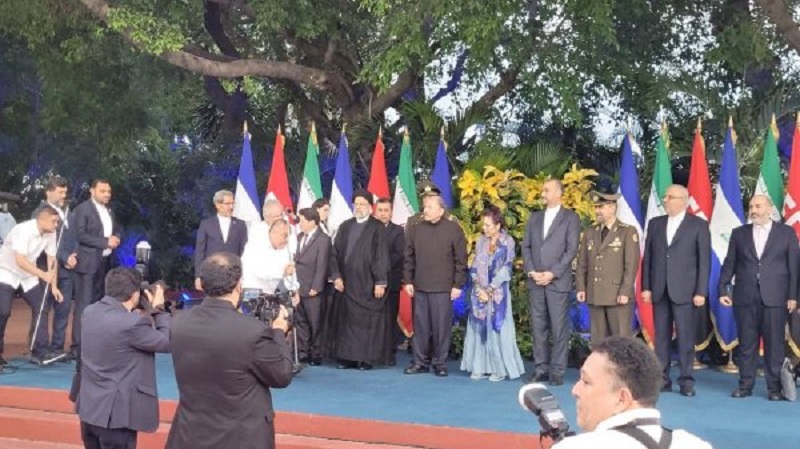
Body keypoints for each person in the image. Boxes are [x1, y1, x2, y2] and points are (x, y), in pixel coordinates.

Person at [166, 252, 293, 449]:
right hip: (240, 438)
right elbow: (282, 375)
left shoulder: (178, 323)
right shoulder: (252, 332)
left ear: (201, 284)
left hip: (190, 434)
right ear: (238, 285)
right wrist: (278, 332)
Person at [554, 336, 713, 449]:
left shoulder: (574, 446)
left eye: (586, 381)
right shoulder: (696, 445)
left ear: (622, 399)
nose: (575, 390)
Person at [76, 267, 169, 449]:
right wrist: (158, 309)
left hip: (90, 410)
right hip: (116, 417)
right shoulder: (132, 323)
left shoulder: (90, 312)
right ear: (135, 294)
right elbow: (166, 341)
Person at [719, 195, 798, 401]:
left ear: (770, 210)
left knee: (774, 345)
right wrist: (722, 290)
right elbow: (730, 263)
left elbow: (794, 267)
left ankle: (774, 389)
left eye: (758, 206)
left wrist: (793, 296)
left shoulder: (786, 233)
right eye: (751, 206)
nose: (753, 210)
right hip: (745, 297)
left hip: (776, 298)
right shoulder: (739, 233)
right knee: (746, 344)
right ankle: (745, 385)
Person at [641, 184, 710, 397]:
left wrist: (701, 291)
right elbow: (648, 258)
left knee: (685, 338)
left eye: (670, 197)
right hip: (659, 289)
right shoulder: (655, 223)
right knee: (661, 338)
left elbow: (704, 261)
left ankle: (686, 380)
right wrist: (646, 287)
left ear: (683, 200)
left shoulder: (698, 225)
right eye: (665, 196)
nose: (665, 200)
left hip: (686, 291)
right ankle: (662, 379)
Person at [521, 179, 581, 386]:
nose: (542, 193)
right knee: (538, 327)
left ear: (558, 193)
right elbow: (526, 247)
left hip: (557, 282)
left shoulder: (571, 218)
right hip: (536, 281)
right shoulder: (535, 217)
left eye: (546, 190)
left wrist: (552, 273)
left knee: (558, 329)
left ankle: (557, 371)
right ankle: (541, 369)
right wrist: (532, 271)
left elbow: (571, 249)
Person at [404, 195, 468, 377]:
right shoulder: (416, 229)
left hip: (443, 288)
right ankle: (420, 362)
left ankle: (440, 363)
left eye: (430, 207)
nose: (425, 210)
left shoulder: (453, 229)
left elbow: (461, 259)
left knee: (441, 328)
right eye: (425, 207)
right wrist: (407, 280)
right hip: (420, 286)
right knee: (420, 328)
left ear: (441, 210)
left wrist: (458, 285)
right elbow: (408, 257)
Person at [460, 206, 525, 381]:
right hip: (479, 293)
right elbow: (474, 267)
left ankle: (500, 369)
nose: (485, 228)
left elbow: (506, 269)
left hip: (498, 294)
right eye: (484, 225)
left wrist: (489, 289)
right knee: (478, 328)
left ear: (498, 225)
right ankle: (479, 367)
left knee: (498, 329)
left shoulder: (507, 242)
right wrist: (478, 288)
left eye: (488, 225)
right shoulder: (481, 241)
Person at [329, 190, 390, 370]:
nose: (359, 207)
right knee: (346, 320)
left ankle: (365, 359)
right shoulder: (345, 226)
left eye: (363, 204)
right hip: (346, 283)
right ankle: (346, 357)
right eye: (356, 204)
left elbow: (381, 256)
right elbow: (334, 253)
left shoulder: (377, 227)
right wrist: (336, 275)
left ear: (370, 207)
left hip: (367, 284)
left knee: (365, 322)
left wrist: (380, 282)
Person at [0, 206, 62, 366]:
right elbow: (20, 261)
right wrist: (43, 275)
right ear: (41, 219)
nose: (56, 225)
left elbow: (52, 260)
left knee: (41, 307)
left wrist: (54, 286)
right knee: (3, 311)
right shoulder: (23, 230)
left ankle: (39, 352)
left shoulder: (51, 233)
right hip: (7, 272)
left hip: (28, 276)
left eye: (57, 222)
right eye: (54, 221)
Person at [576, 191, 640, 344]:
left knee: (620, 340)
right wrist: (581, 287)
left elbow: (631, 265)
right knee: (598, 340)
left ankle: (621, 362)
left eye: (601, 207)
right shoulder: (590, 232)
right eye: (596, 207)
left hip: (617, 295)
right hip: (595, 293)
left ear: (612, 208)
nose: (597, 210)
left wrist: (625, 291)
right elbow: (582, 263)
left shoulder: (627, 231)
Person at [71, 179, 122, 358]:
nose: (107, 194)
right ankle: (78, 346)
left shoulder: (109, 210)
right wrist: (105, 242)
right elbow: (80, 235)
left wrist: (116, 237)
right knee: (84, 305)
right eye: (103, 191)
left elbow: (116, 228)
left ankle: (95, 343)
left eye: (109, 191)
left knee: (100, 303)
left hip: (105, 262)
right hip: (87, 264)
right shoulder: (82, 209)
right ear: (92, 191)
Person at [38, 176, 78, 362]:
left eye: (65, 192)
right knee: (43, 308)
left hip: (67, 270)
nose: (64, 195)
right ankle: (40, 349)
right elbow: (48, 242)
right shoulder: (40, 212)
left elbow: (74, 237)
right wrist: (65, 257)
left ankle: (57, 348)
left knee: (63, 309)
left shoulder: (68, 212)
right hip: (47, 268)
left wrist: (74, 255)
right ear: (49, 192)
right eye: (60, 192)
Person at [294, 208, 331, 366]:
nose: (299, 223)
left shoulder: (323, 239)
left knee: (315, 322)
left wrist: (316, 286)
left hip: (313, 288)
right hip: (298, 286)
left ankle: (316, 353)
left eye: (302, 220)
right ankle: (303, 351)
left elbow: (322, 264)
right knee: (301, 321)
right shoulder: (299, 237)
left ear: (312, 222)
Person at [194, 190, 247, 291]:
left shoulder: (240, 225)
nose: (231, 207)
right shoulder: (206, 224)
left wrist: (243, 276)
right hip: (212, 275)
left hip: (233, 276)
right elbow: (200, 252)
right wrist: (198, 277)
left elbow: (244, 252)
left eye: (233, 203)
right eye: (227, 204)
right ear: (217, 204)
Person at [374, 197, 405, 365]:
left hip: (391, 282)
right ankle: (374, 352)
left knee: (390, 318)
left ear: (391, 212)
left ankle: (389, 354)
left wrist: (380, 266)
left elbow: (398, 255)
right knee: (374, 319)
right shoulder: (369, 229)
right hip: (371, 283)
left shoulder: (398, 231)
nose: (383, 214)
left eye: (386, 210)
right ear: (375, 211)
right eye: (380, 210)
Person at [241, 219, 296, 293]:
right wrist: (284, 271)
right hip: (252, 291)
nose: (286, 240)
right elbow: (260, 271)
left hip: (270, 293)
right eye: (284, 235)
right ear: (273, 232)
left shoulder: (283, 248)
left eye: (288, 237)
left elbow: (288, 270)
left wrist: (294, 289)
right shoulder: (257, 243)